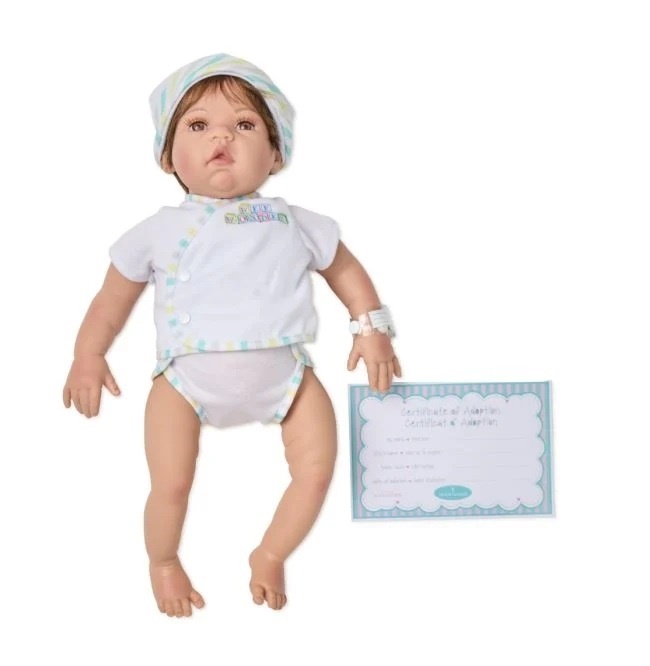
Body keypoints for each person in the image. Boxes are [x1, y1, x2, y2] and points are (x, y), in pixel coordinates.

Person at [62, 54, 401, 617]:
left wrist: (371, 327)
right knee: (170, 484)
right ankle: (163, 561)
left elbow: (345, 270)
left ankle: (270, 553)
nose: (221, 136)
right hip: (184, 381)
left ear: (276, 154)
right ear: (167, 155)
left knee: (317, 472)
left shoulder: (293, 221)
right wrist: (88, 354)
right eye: (198, 125)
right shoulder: (157, 231)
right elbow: (110, 301)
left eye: (244, 125)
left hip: (288, 376)